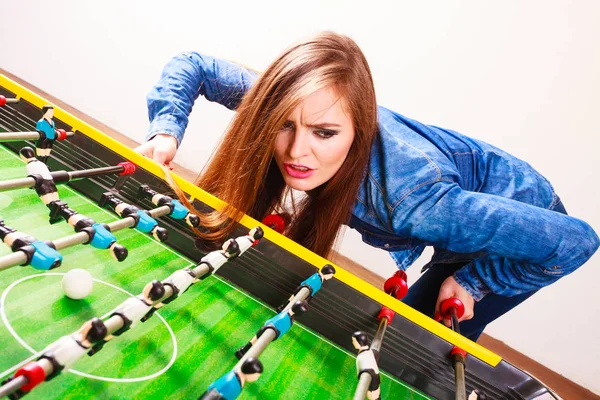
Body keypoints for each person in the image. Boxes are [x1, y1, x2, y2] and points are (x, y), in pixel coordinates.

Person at [136, 32, 599, 341]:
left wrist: (476, 281)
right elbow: (193, 63)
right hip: (460, 199)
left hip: (527, 230)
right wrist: (166, 129)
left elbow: (577, 241)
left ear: (358, 128)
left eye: (324, 133)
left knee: (411, 341)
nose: (297, 152)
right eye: (285, 125)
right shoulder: (302, 97)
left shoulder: (415, 202)